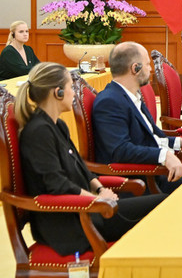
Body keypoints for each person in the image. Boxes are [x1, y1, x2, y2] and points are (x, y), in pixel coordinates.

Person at [16, 62, 166, 256]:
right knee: (162, 210)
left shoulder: (57, 125)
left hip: (87, 210)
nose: (73, 93)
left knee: (165, 204)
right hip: (69, 224)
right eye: (70, 87)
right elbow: (56, 184)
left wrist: (101, 189)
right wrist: (96, 200)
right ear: (58, 93)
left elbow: (81, 168)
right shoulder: (38, 132)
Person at [92, 42, 182, 193]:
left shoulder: (131, 95)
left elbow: (150, 137)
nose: (150, 69)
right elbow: (121, 150)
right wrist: (164, 156)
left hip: (157, 172)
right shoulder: (110, 101)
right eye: (147, 64)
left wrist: (180, 141)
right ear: (135, 68)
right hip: (143, 180)